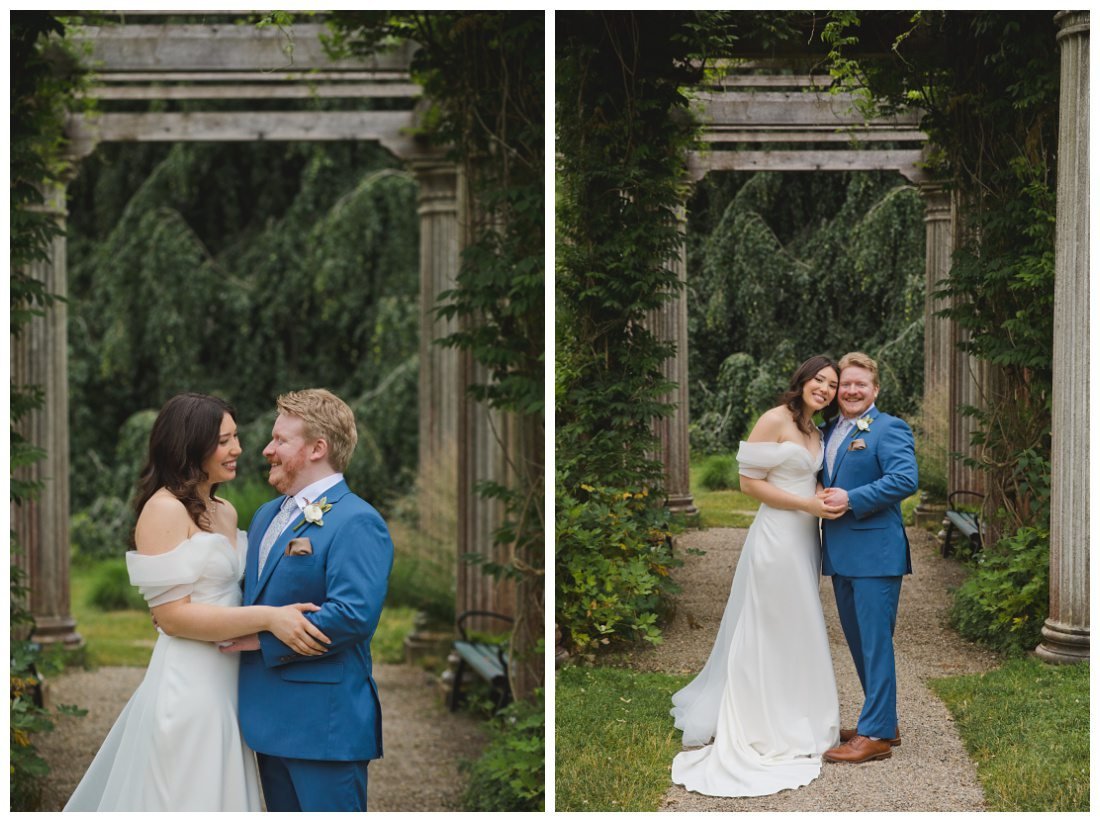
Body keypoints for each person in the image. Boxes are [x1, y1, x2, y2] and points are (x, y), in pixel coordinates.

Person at [64, 393, 330, 812]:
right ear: (191, 445)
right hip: (189, 683)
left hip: (232, 680)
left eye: (236, 437)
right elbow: (172, 618)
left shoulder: (224, 510)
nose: (238, 449)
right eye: (224, 441)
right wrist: (268, 619)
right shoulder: (163, 510)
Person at [670, 356, 846, 797]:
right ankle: (761, 719)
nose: (824, 389)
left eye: (832, 384)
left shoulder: (814, 430)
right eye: (819, 380)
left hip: (806, 538)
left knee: (798, 624)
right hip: (777, 537)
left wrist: (818, 498)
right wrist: (806, 505)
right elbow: (749, 483)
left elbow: (808, 478)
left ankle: (798, 711)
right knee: (769, 623)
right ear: (803, 380)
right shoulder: (776, 420)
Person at [218, 388, 394, 812]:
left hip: (324, 727)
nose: (266, 450)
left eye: (280, 440)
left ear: (318, 448)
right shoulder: (265, 516)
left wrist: (263, 639)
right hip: (266, 721)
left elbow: (353, 615)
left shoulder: (357, 521)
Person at [817, 351, 917, 764]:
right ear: (837, 390)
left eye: (861, 384)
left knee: (875, 644)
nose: (852, 390)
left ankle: (874, 734)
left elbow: (904, 478)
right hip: (840, 554)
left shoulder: (888, 428)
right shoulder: (826, 431)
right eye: (845, 384)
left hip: (876, 553)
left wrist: (852, 498)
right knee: (858, 643)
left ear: (875, 389)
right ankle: (883, 720)